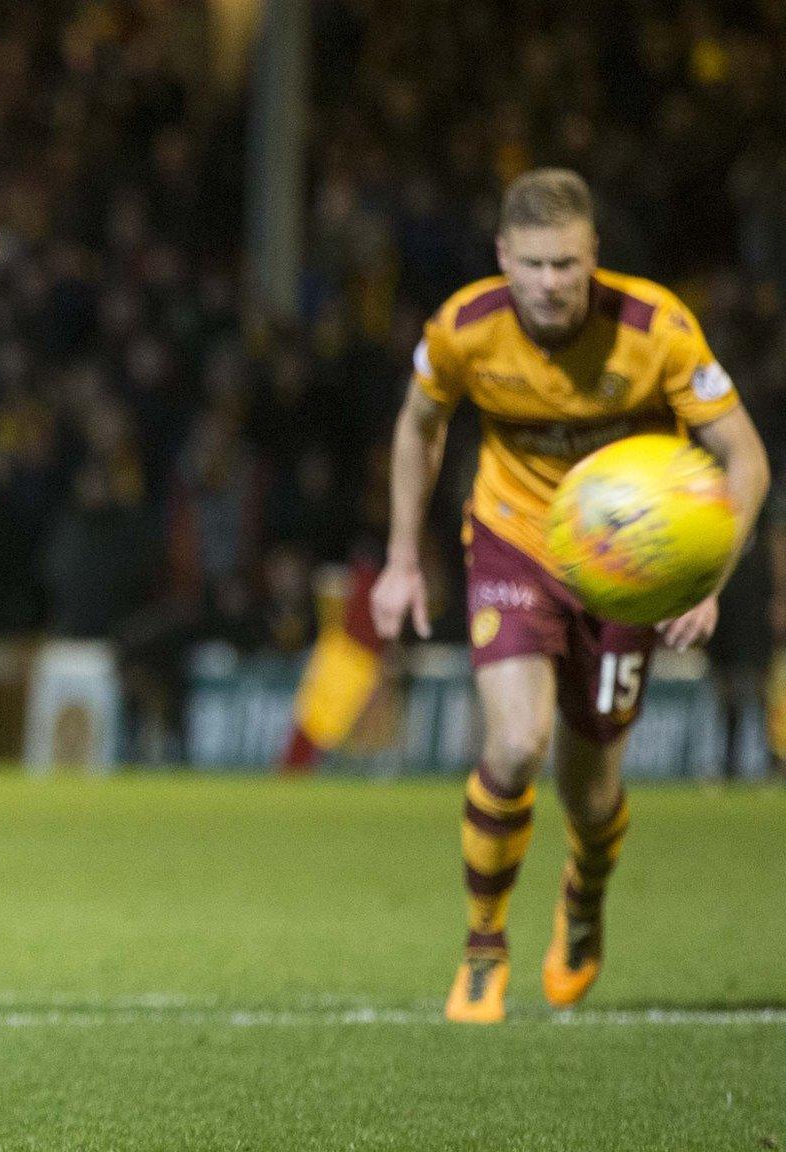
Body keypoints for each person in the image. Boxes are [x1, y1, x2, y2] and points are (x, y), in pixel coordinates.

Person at [370, 169, 769, 1023]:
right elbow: (418, 424)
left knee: (589, 798)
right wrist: (402, 557)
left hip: (628, 570)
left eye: (568, 265)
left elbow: (748, 460)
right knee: (514, 746)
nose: (552, 284)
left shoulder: (657, 330)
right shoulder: (464, 330)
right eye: (535, 265)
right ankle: (484, 946)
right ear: (503, 259)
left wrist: (710, 577)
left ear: (595, 258)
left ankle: (583, 899)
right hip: (517, 540)